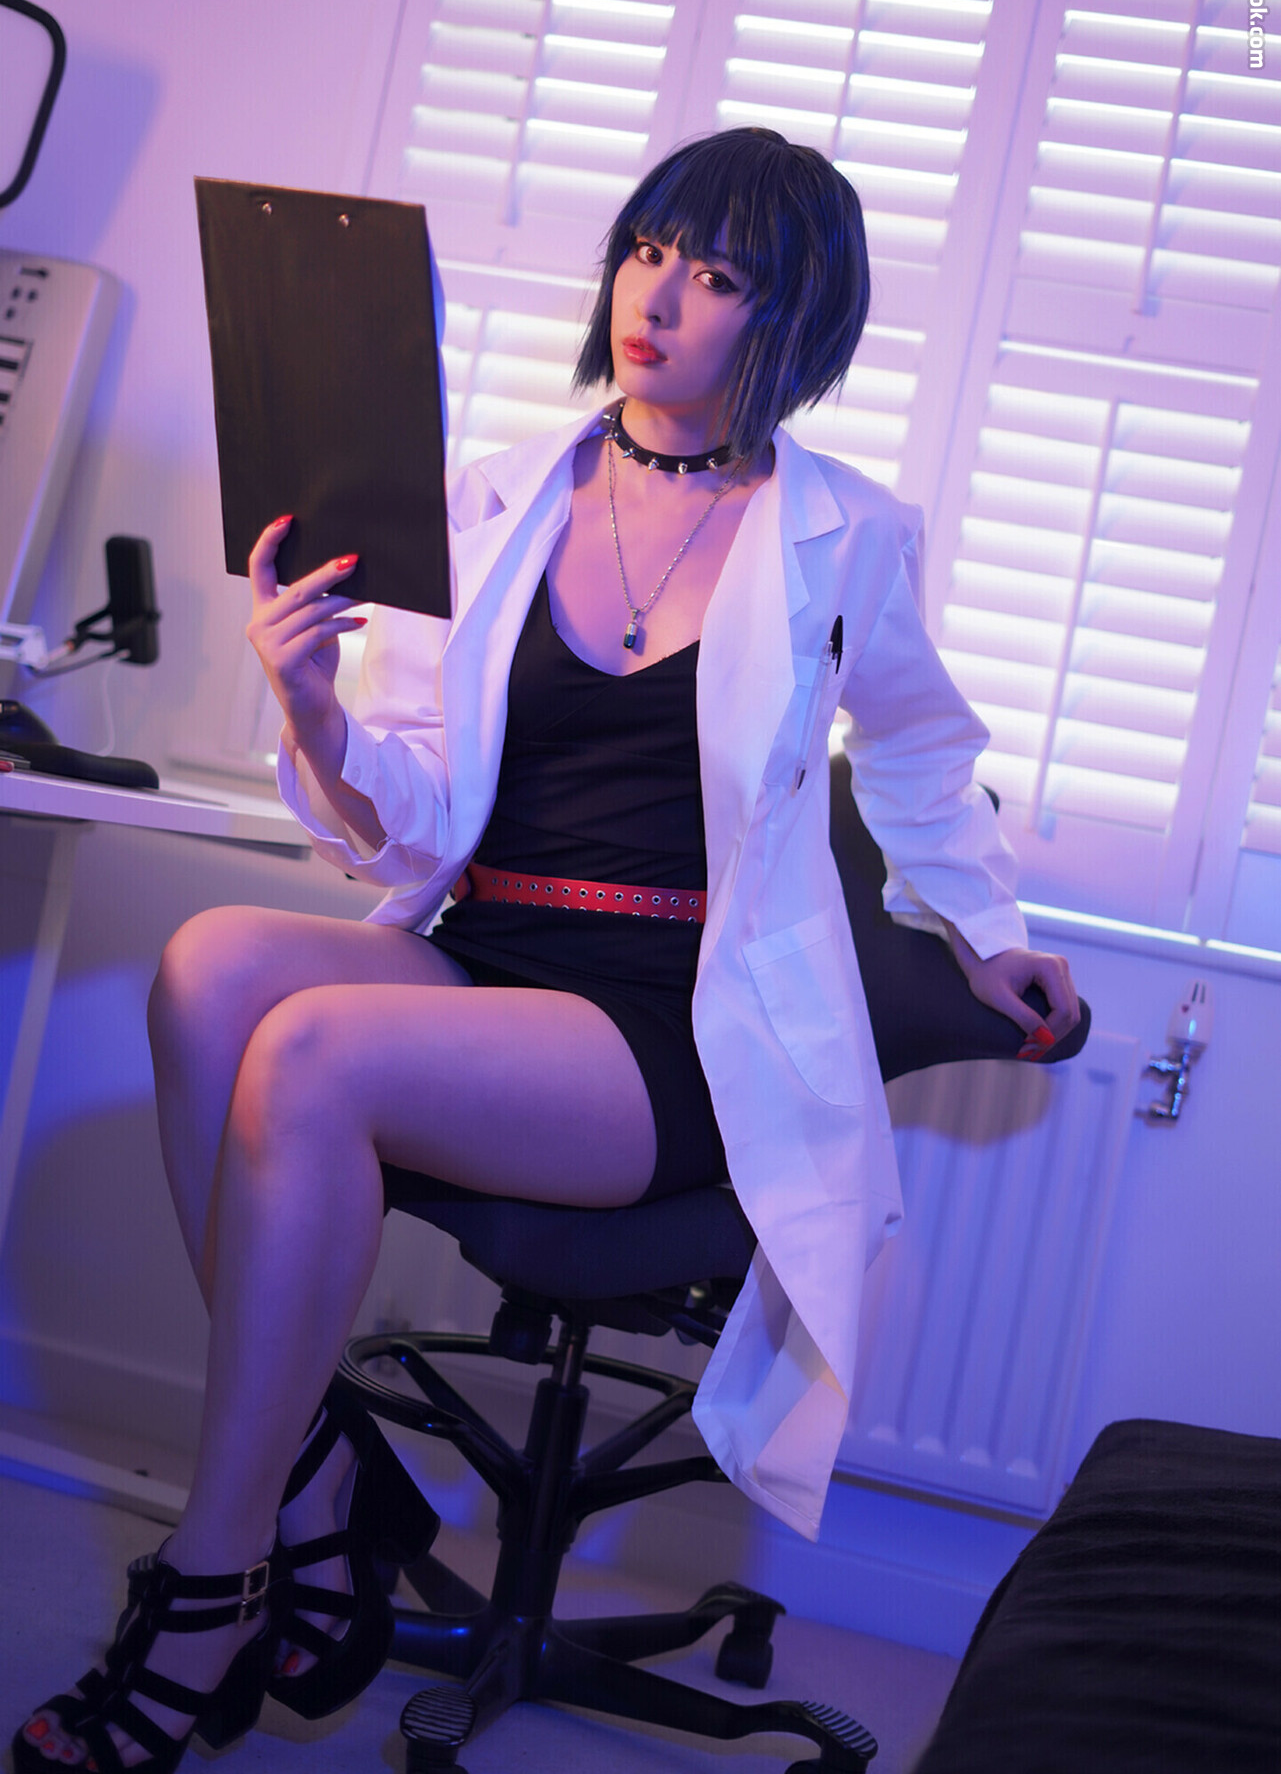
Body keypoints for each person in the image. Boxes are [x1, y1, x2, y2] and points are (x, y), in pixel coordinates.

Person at [15, 128, 1078, 1772]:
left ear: (790, 317)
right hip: (485, 949)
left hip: (664, 1016)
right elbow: (415, 813)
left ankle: (219, 1576)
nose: (658, 295)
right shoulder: (497, 495)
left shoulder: (847, 534)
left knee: (311, 1052)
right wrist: (311, 709)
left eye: (715, 275)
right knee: (212, 967)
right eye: (649, 249)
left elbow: (923, 756)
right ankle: (318, 1480)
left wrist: (987, 932)